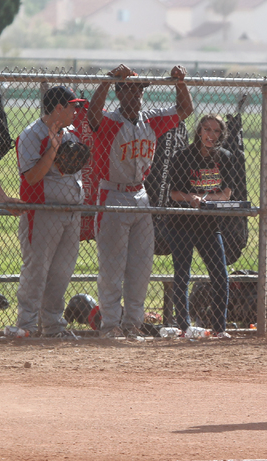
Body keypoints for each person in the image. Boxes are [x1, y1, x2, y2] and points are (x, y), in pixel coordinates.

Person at [87, 64, 193, 338]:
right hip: (112, 193)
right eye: (131, 90)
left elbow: (185, 110)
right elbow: (92, 114)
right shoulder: (109, 121)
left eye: (140, 90)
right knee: (112, 267)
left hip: (140, 195)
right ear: (120, 94)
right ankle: (110, 325)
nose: (137, 95)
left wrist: (179, 82)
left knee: (141, 265)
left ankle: (132, 324)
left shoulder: (151, 119)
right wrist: (109, 80)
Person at [14, 86, 85, 338]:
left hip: (71, 213)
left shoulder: (72, 132)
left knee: (61, 273)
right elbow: (31, 178)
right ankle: (27, 326)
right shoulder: (31, 135)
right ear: (58, 108)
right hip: (43, 212)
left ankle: (53, 327)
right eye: (72, 106)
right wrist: (53, 150)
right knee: (36, 271)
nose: (76, 111)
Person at [166, 115, 233, 339]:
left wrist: (210, 199)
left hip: (209, 225)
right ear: (199, 131)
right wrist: (191, 197)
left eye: (216, 131)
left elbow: (227, 193)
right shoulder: (183, 157)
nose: (211, 135)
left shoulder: (224, 158)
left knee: (220, 275)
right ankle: (184, 327)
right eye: (206, 130)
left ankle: (219, 328)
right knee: (182, 274)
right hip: (183, 224)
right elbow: (174, 193)